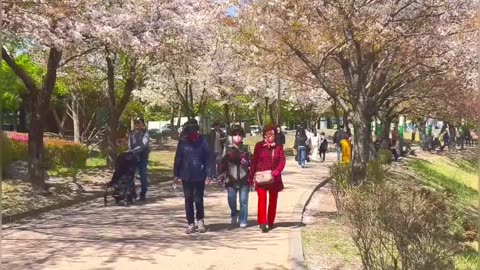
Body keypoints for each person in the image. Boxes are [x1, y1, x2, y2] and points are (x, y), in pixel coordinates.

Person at [173, 119, 210, 234]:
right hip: (186, 174)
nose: (192, 132)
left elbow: (208, 157)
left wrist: (209, 173)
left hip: (199, 173)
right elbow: (178, 157)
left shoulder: (203, 141)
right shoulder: (183, 141)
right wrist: (176, 174)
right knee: (188, 198)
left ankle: (200, 220)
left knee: (198, 198)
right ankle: (190, 223)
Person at [248, 124, 286, 233]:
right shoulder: (259, 146)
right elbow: (254, 162)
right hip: (261, 177)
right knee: (262, 199)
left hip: (274, 178)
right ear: (264, 135)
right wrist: (251, 177)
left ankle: (270, 221)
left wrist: (278, 170)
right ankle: (263, 222)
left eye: (273, 134)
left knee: (273, 200)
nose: (271, 136)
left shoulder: (278, 147)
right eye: (268, 134)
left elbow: (282, 160)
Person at [219, 125, 252, 228]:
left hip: (244, 178)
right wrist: (220, 176)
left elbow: (252, 161)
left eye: (239, 135)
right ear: (231, 136)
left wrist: (247, 161)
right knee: (231, 199)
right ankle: (234, 212)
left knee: (243, 200)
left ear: (242, 137)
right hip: (231, 179)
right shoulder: (227, 148)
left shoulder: (246, 148)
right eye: (235, 135)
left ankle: (243, 219)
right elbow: (222, 163)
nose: (237, 136)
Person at [127, 118, 150, 201]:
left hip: (143, 157)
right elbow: (129, 145)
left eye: (139, 123)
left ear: (143, 125)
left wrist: (132, 151)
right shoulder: (131, 133)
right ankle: (132, 192)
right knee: (131, 175)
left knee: (142, 175)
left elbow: (143, 146)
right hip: (133, 157)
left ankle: (143, 193)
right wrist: (129, 151)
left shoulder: (145, 134)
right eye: (136, 123)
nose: (137, 125)